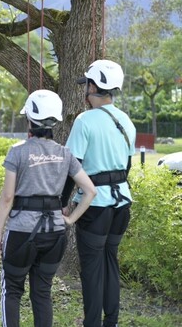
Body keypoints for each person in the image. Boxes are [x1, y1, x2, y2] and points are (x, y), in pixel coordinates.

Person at [0, 89, 96, 327]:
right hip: (55, 234)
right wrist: (70, 220)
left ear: (29, 119)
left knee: (12, 290)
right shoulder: (65, 153)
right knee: (42, 293)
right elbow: (90, 190)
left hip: (21, 232)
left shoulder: (18, 151)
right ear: (55, 120)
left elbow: (8, 196)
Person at [65, 59, 136, 327]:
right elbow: (127, 165)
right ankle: (112, 322)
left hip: (94, 207)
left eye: (87, 84)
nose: (85, 89)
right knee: (110, 262)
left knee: (92, 270)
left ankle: (92, 323)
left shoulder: (84, 121)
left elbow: (73, 168)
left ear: (93, 86)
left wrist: (64, 203)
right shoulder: (126, 120)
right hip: (122, 205)